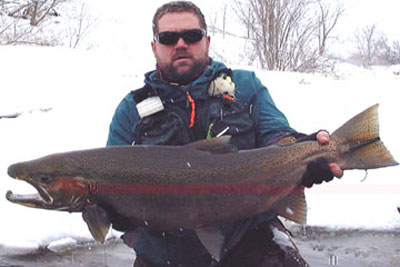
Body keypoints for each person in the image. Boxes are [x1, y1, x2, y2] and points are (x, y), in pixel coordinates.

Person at [106, 1, 343, 266]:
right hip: (164, 253)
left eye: (192, 36)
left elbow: (276, 136)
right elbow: (109, 176)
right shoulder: (131, 111)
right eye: (169, 38)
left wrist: (304, 151)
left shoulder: (245, 86)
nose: (181, 44)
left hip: (250, 239)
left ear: (206, 41)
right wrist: (113, 210)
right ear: (154, 46)